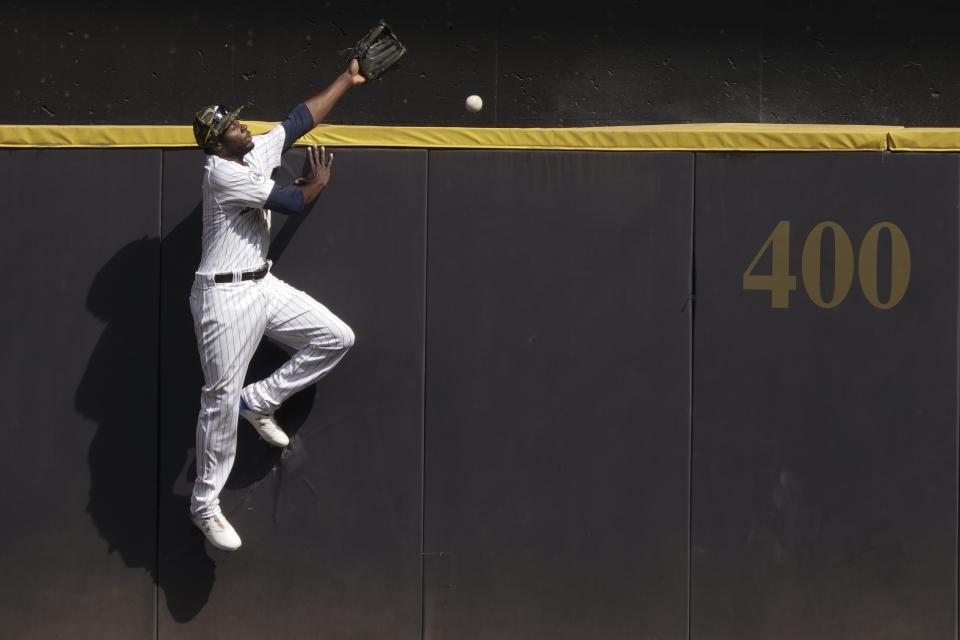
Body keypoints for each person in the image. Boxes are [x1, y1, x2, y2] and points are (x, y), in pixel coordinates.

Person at [187, 58, 366, 551]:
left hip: (260, 285)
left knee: (336, 337)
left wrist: (347, 80)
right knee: (218, 399)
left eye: (239, 121)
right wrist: (317, 185)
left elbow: (298, 120)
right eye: (232, 127)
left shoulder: (253, 148)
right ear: (216, 143)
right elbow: (290, 201)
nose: (244, 128)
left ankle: (261, 400)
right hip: (222, 298)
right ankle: (204, 504)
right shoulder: (222, 173)